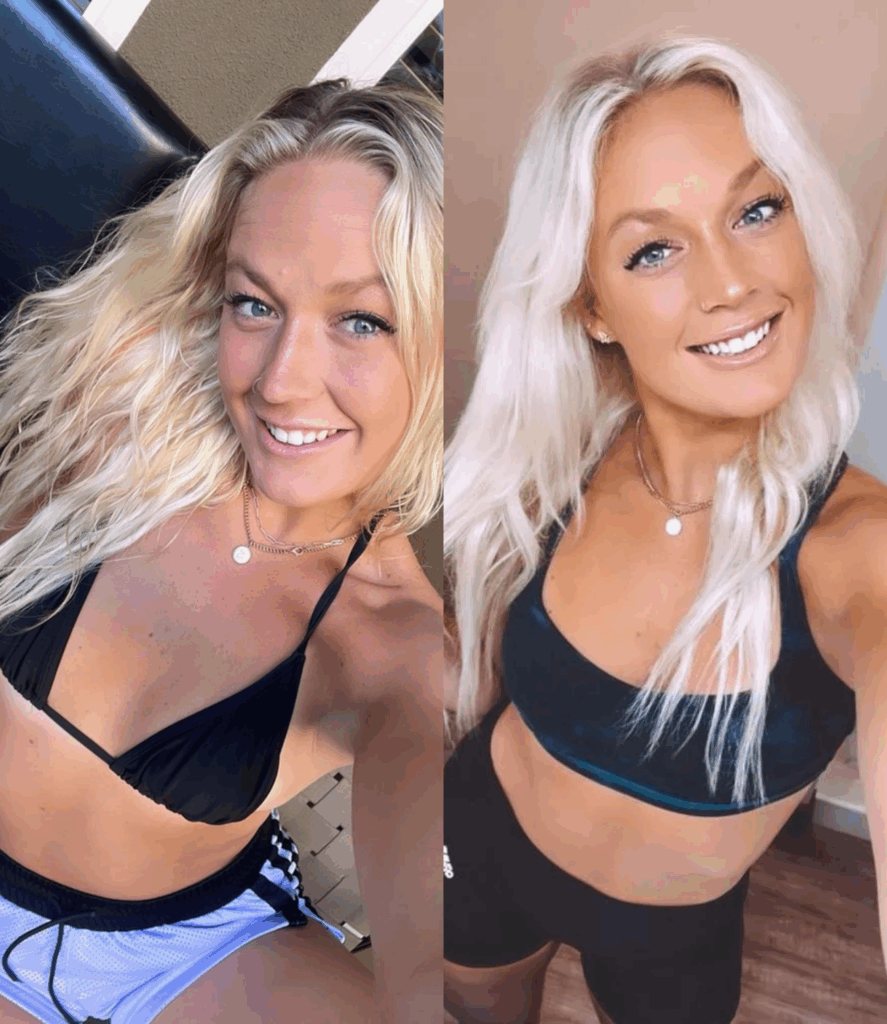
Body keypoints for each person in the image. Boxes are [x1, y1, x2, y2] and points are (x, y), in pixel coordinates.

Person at [443, 36, 887, 1024]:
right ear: (592, 307)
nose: (728, 282)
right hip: (480, 840)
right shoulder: (559, 459)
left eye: (755, 210)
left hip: (669, 937)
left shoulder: (855, 546)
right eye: (653, 249)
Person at [0, 78, 442, 1024]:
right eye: (255, 304)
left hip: (183, 953)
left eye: (362, 320)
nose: (283, 382)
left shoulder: (394, 636)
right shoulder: (116, 421)